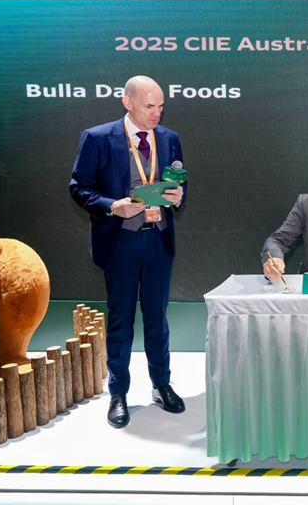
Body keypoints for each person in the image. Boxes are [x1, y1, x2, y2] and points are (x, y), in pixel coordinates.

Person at [70, 75, 187, 428]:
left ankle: (161, 384)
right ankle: (118, 392)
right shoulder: (97, 137)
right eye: (149, 106)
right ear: (127, 101)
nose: (156, 113)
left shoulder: (169, 138)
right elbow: (79, 188)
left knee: (157, 319)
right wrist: (111, 206)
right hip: (120, 241)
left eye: (161, 106)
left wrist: (178, 197)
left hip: (158, 240)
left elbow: (178, 183)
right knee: (120, 319)